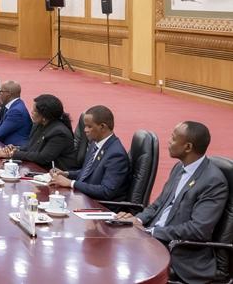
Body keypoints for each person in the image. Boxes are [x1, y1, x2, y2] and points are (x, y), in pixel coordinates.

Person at [116, 121, 228, 284]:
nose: (169, 141)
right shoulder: (179, 168)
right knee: (114, 243)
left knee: (125, 264)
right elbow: (158, 204)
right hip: (155, 239)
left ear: (188, 147)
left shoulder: (213, 181)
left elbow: (198, 230)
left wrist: (151, 232)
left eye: (174, 138)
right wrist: (137, 220)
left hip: (180, 253)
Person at [49, 105, 130, 201]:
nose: (85, 130)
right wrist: (66, 174)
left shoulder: (116, 155)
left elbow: (106, 191)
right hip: (84, 198)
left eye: (89, 126)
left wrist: (71, 183)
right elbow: (88, 172)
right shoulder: (95, 144)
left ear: (102, 127)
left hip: (99, 205)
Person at [0, 94, 76, 170]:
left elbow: (43, 158)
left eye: (35, 111)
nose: (31, 112)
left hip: (55, 172)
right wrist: (16, 148)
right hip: (38, 168)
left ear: (44, 116)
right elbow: (31, 146)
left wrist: (12, 154)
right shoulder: (38, 125)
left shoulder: (59, 133)